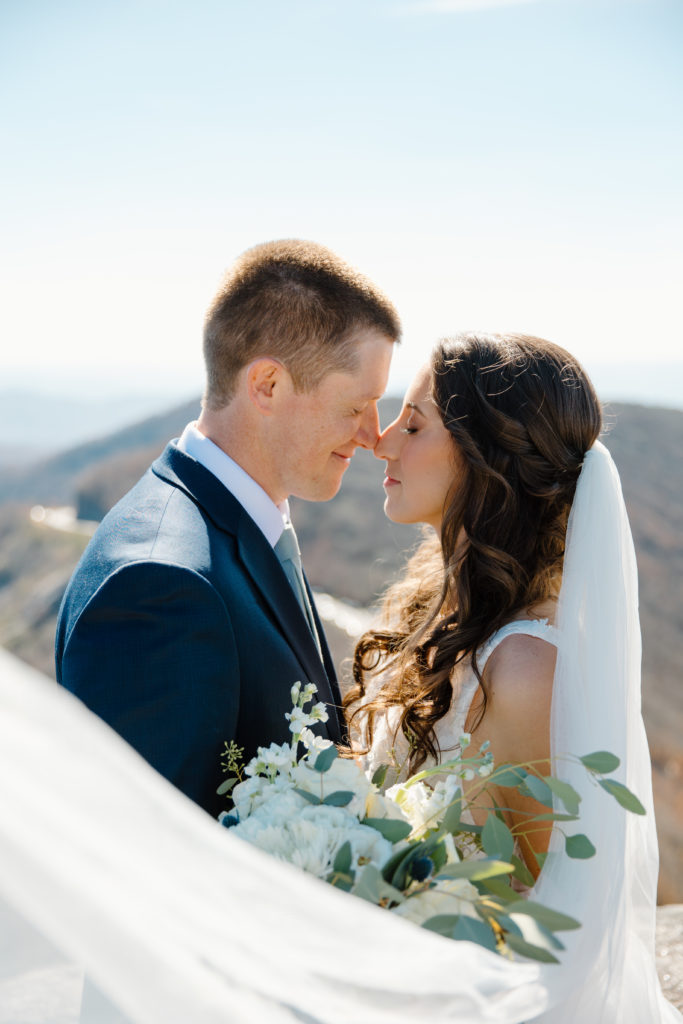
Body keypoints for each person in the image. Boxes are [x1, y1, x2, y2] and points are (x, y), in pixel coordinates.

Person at [344, 332, 680, 1021]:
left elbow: (546, 916)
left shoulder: (523, 668)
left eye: (413, 424)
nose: (381, 442)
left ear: (482, 458)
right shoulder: (439, 611)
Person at [55, 239, 400, 818]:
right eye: (356, 405)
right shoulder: (160, 585)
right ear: (266, 385)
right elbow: (147, 854)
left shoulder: (247, 526)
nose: (373, 434)